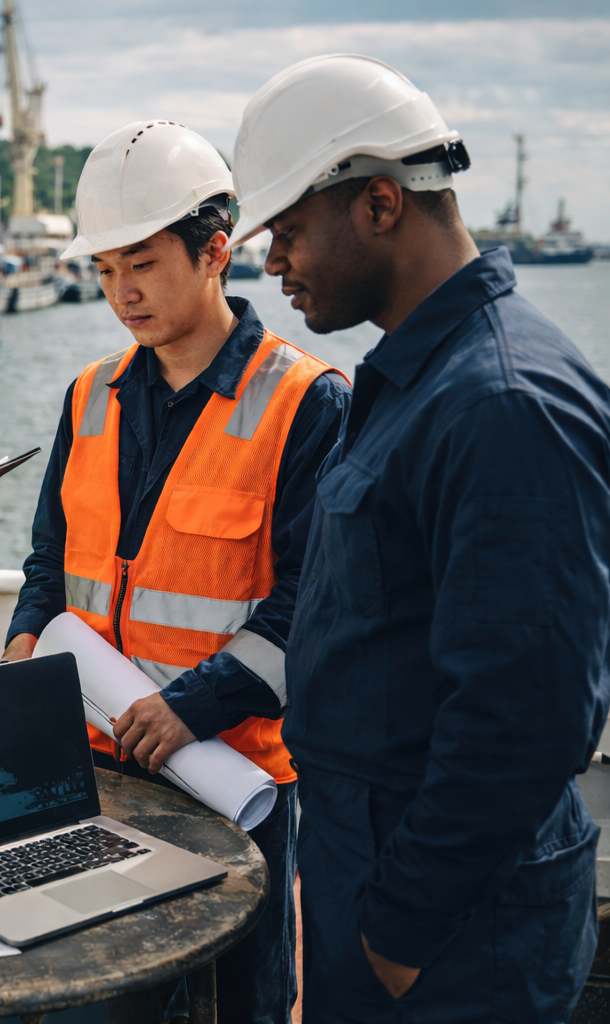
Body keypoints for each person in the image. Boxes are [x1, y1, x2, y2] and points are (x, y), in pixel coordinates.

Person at [232, 54, 610, 1021]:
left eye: (287, 229)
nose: (271, 262)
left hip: (448, 935)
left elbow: (527, 716)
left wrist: (397, 930)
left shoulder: (501, 404)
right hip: (380, 871)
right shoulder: (414, 382)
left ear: (382, 205)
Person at [1, 120, 350, 1024]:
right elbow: (51, 565)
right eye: (106, 269)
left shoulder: (306, 402)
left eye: (142, 264)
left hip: (234, 784)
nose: (121, 293)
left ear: (214, 253)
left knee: (242, 1008)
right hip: (93, 780)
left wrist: (189, 707)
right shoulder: (88, 396)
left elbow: (307, 608)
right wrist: (20, 648)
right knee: (102, 1000)